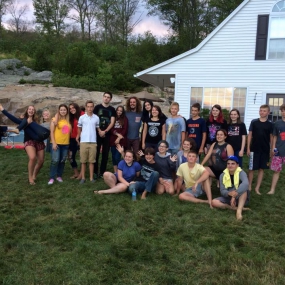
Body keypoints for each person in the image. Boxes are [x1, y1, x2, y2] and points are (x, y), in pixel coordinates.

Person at [0, 104, 46, 185]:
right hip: (29, 141)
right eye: (29, 109)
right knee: (32, 158)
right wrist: (2, 109)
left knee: (41, 161)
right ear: (27, 110)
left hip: (38, 141)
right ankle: (30, 178)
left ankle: (34, 175)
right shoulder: (23, 120)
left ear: (34, 111)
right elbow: (12, 118)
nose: (31, 110)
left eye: (33, 109)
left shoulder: (37, 120)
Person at [212, 156, 250, 221]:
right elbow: (222, 191)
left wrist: (235, 194)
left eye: (233, 164)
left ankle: (239, 211)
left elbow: (246, 184)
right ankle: (233, 208)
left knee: (244, 190)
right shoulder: (223, 175)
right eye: (228, 164)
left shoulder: (241, 173)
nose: (230, 165)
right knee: (214, 202)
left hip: (240, 197)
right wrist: (230, 193)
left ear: (237, 165)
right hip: (228, 197)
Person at [247, 104, 273, 195]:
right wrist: (248, 148)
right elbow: (249, 135)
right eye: (261, 110)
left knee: (261, 169)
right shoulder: (254, 122)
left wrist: (271, 150)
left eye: (264, 111)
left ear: (268, 112)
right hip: (254, 149)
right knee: (251, 168)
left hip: (265, 150)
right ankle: (249, 185)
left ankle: (257, 188)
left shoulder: (270, 124)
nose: (262, 112)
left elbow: (271, 138)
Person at [93, 91, 116, 179]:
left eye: (108, 97)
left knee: (105, 154)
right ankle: (95, 172)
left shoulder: (112, 109)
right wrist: (99, 130)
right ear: (103, 97)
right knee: (96, 153)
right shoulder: (97, 107)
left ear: (110, 99)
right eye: (105, 96)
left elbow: (112, 122)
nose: (106, 98)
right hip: (97, 133)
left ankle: (102, 172)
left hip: (107, 134)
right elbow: (94, 120)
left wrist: (105, 131)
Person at [77, 100, 100, 184]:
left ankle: (91, 178)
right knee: (83, 161)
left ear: (93, 107)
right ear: (86, 107)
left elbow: (98, 128)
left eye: (91, 107)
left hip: (93, 142)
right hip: (84, 141)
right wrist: (79, 137)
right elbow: (79, 128)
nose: (90, 108)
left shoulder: (96, 118)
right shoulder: (82, 117)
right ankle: (83, 177)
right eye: (88, 107)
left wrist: (101, 132)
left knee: (92, 161)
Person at [48, 104, 71, 185]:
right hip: (56, 143)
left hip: (65, 144)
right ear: (59, 111)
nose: (63, 111)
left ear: (67, 111)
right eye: (61, 110)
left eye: (64, 110)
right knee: (55, 160)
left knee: (62, 161)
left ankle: (59, 176)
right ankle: (52, 177)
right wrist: (53, 143)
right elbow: (51, 132)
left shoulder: (68, 120)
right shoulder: (54, 119)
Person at [268, 104, 285, 194]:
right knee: (276, 171)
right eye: (282, 111)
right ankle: (272, 189)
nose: (283, 112)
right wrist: (273, 148)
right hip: (278, 151)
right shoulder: (277, 123)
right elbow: (274, 136)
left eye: (284, 111)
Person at [110, 105, 128, 173]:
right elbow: (111, 128)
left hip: (121, 141)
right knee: (113, 156)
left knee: (117, 157)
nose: (119, 112)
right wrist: (117, 135)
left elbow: (125, 129)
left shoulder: (125, 119)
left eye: (121, 111)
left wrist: (119, 138)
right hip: (113, 140)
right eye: (118, 110)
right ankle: (115, 171)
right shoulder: (113, 118)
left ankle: (121, 170)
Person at [69, 103, 83, 179]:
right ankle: (76, 173)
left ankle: (81, 173)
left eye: (73, 108)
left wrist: (79, 136)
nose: (72, 109)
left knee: (81, 156)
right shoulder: (70, 117)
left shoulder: (82, 114)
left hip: (81, 138)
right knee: (70, 156)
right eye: (70, 108)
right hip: (71, 139)